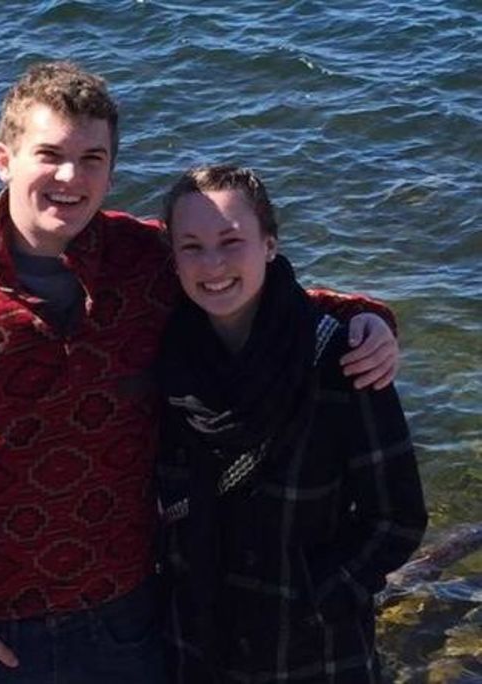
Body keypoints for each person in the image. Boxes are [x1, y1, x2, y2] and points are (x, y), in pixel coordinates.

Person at [0, 62, 400, 684]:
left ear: (112, 170)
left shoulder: (142, 260)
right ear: (4, 160)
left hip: (131, 609)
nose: (71, 176)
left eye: (93, 157)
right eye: (49, 154)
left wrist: (365, 316)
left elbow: (244, 288)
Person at [157, 165, 428, 683]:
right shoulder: (165, 361)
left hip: (312, 651)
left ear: (270, 245)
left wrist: (319, 595)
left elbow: (398, 516)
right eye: (191, 246)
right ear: (172, 259)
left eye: (231, 240)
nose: (212, 263)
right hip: (195, 644)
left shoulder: (342, 360)